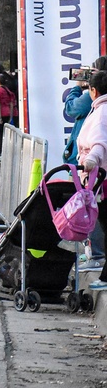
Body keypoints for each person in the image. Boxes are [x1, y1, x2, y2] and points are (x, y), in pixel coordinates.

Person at [76, 70, 107, 291]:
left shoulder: (102, 112)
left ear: (93, 91)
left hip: (102, 178)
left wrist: (90, 161)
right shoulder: (100, 110)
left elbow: (99, 142)